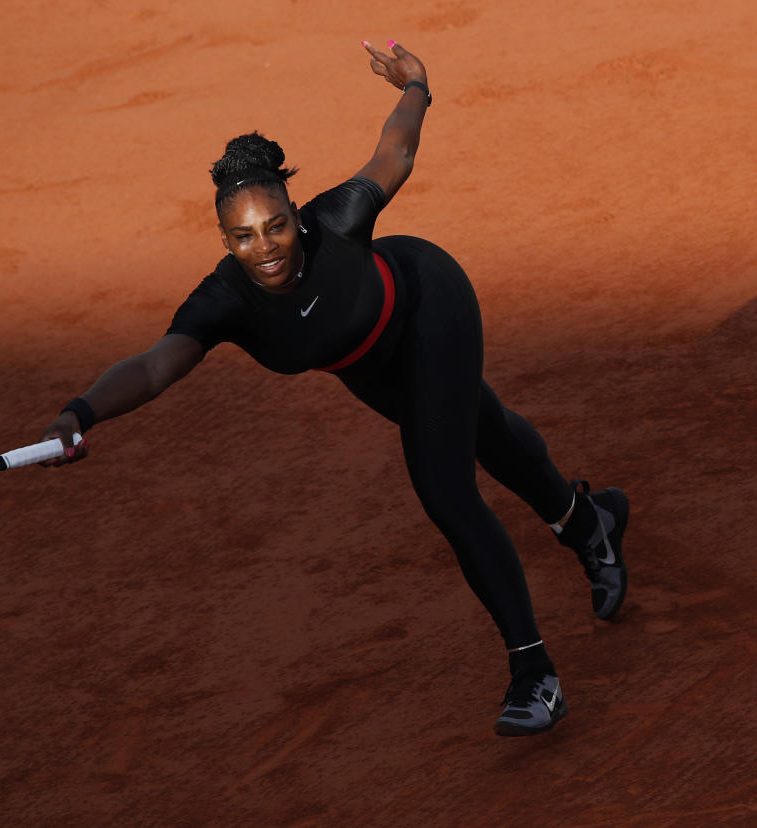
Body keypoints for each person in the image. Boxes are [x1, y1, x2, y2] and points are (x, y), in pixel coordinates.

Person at [40, 40, 629, 737]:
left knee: (445, 487)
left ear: (296, 211)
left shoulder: (339, 219)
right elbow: (152, 366)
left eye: (277, 224)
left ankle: (536, 674)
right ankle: (589, 523)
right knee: (484, 431)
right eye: (243, 236)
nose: (265, 247)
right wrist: (81, 413)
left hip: (430, 304)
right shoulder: (222, 303)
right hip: (369, 365)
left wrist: (416, 85)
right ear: (225, 239)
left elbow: (396, 154)